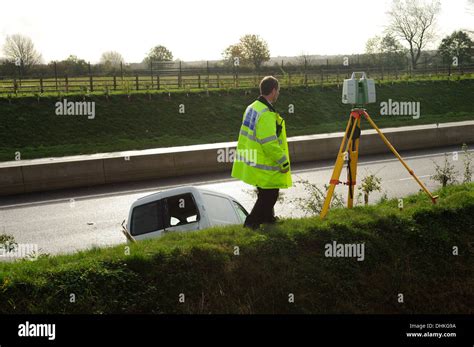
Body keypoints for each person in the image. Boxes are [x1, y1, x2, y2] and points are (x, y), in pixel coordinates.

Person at [231, 76, 292, 229]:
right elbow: (269, 143)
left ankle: (268, 219)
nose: (278, 93)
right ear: (273, 90)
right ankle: (251, 223)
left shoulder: (252, 107)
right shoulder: (266, 113)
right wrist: (283, 161)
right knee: (270, 195)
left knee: (264, 192)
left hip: (253, 160)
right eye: (277, 90)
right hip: (264, 161)